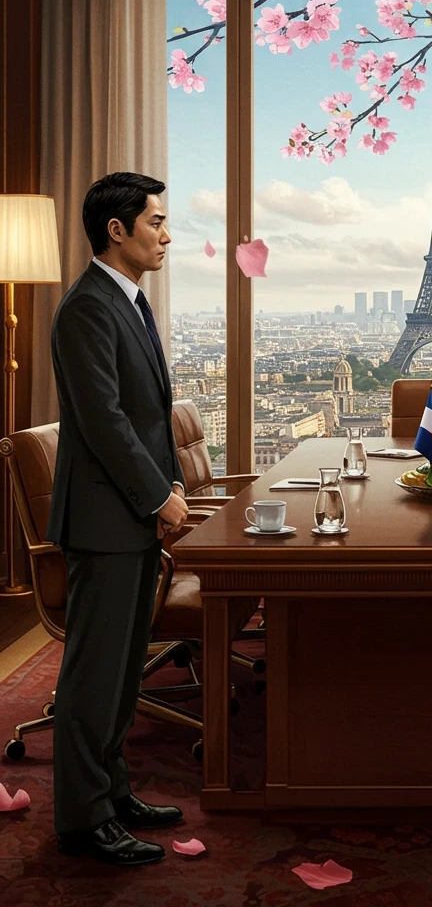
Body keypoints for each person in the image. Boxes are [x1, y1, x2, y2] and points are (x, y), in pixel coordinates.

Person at [47, 172, 190, 867]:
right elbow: (104, 422)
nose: (167, 235)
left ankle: (113, 792)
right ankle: (81, 820)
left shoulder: (125, 302)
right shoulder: (88, 309)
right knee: (94, 673)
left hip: (126, 515)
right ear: (118, 229)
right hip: (106, 520)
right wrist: (160, 496)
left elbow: (140, 416)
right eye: (157, 222)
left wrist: (160, 490)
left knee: (123, 671)